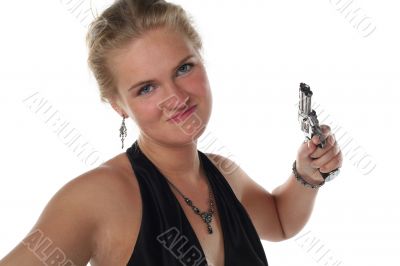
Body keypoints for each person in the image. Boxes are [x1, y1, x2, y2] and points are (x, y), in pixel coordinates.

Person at [0, 0, 343, 265]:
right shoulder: (99, 197)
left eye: (183, 68)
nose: (177, 98)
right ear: (118, 105)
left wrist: (308, 174)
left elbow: (280, 222)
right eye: (146, 88)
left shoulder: (224, 173)